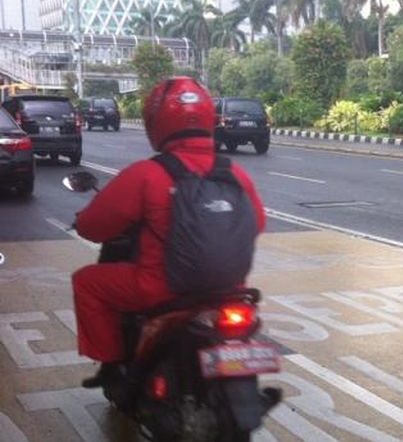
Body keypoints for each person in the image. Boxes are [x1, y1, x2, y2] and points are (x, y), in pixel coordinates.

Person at [72, 76, 266, 387]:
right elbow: (256, 223)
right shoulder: (235, 173)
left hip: (159, 289)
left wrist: (82, 222)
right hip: (230, 289)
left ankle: (111, 365)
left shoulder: (148, 174)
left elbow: (94, 227)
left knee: (86, 282)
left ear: (155, 123)